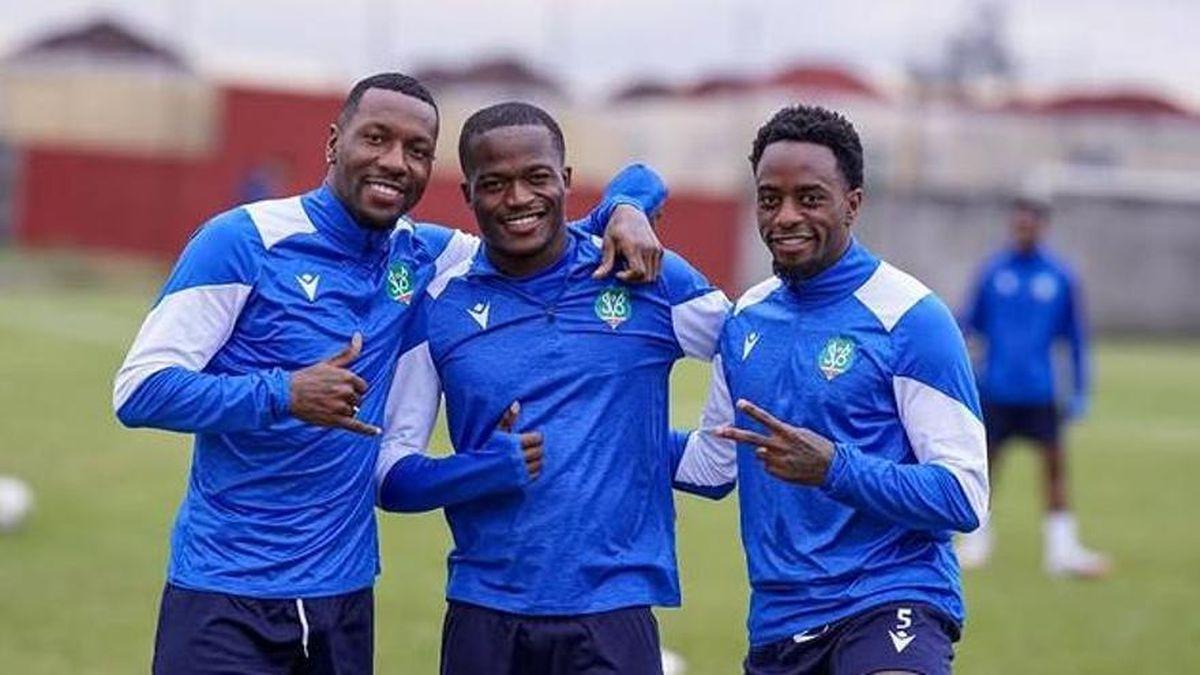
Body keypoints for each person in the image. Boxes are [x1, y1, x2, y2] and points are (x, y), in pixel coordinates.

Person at [112, 72, 663, 675]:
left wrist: (628, 205)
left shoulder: (425, 254)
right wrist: (285, 393)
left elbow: (547, 226)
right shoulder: (244, 240)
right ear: (334, 142)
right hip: (224, 588)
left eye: (417, 150)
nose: (395, 161)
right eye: (376, 139)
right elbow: (141, 388)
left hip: (343, 596)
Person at [373, 102, 733, 675]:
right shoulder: (441, 303)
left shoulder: (642, 273)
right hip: (484, 611)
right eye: (494, 184)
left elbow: (750, 350)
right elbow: (389, 473)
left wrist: (711, 455)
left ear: (565, 181)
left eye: (537, 178)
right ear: (467, 194)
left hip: (613, 611)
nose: (518, 199)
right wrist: (479, 470)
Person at [675, 104, 988, 674]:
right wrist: (606, 431)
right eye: (770, 199)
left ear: (853, 203)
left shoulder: (911, 318)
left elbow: (963, 495)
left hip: (892, 599)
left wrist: (834, 468)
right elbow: (713, 463)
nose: (786, 216)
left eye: (810, 198)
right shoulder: (746, 317)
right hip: (780, 619)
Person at [956, 197, 1108, 577]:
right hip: (996, 389)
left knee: (1055, 469)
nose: (1023, 230)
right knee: (985, 470)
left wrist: (1080, 391)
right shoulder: (993, 272)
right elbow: (966, 325)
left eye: (1030, 224)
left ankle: (1062, 551)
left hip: (1040, 392)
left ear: (1042, 227)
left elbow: (1074, 339)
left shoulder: (1059, 276)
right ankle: (976, 542)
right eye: (1018, 224)